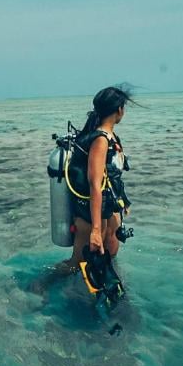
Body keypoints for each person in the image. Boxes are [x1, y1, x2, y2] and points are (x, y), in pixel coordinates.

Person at [66, 85, 134, 269]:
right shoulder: (101, 140)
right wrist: (96, 230)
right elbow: (95, 183)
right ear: (119, 110)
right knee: (77, 264)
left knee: (106, 258)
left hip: (107, 210)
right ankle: (40, 285)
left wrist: (123, 202)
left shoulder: (112, 137)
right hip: (90, 216)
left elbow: (113, 177)